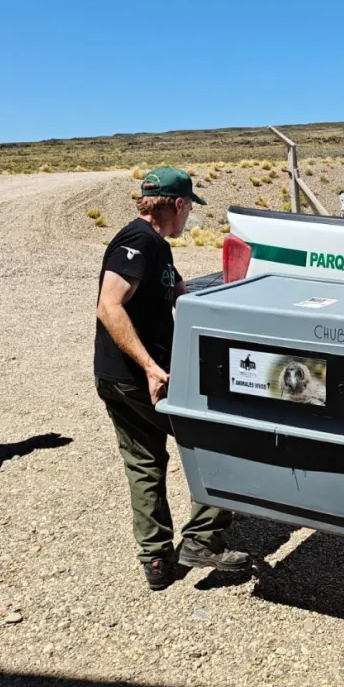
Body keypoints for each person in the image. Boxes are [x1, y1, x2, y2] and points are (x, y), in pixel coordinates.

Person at [94, 167, 249, 590]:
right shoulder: (137, 242)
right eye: (189, 209)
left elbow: (178, 291)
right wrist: (150, 366)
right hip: (140, 377)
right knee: (218, 443)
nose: (190, 219)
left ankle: (157, 561)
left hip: (118, 376)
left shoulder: (157, 245)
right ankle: (202, 539)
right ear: (178, 205)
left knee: (144, 462)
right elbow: (109, 307)